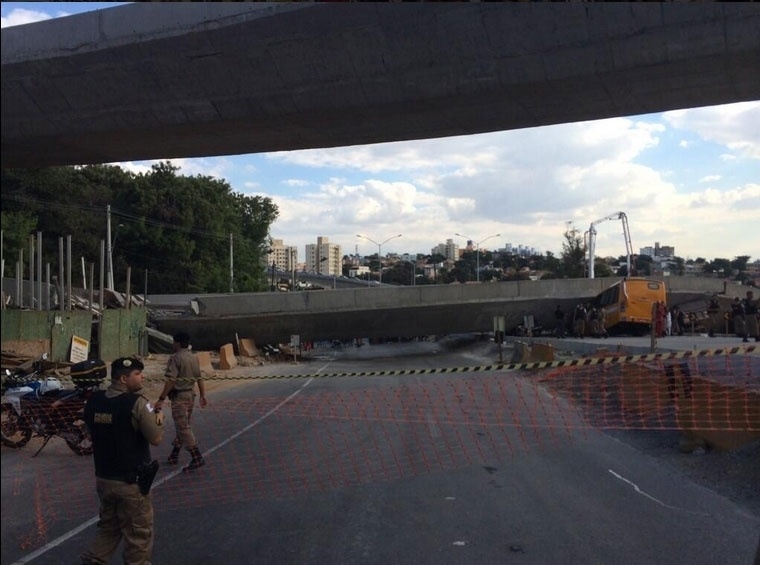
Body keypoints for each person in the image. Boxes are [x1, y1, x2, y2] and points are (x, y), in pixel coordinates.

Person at [82, 357, 164, 565]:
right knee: (138, 536)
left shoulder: (94, 400)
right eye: (137, 374)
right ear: (123, 379)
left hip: (104, 479)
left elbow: (89, 433)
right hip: (131, 484)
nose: (142, 377)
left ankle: (93, 560)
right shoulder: (137, 403)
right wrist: (159, 420)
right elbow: (156, 438)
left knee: (109, 527)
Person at [155, 332, 207, 471]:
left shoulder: (176, 358)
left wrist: (161, 398)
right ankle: (174, 454)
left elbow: (171, 380)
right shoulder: (193, 357)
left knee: (183, 427)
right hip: (191, 395)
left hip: (179, 397)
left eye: (174, 342)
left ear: (177, 343)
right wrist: (202, 395)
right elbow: (199, 377)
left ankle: (196, 457)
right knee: (183, 425)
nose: (173, 345)